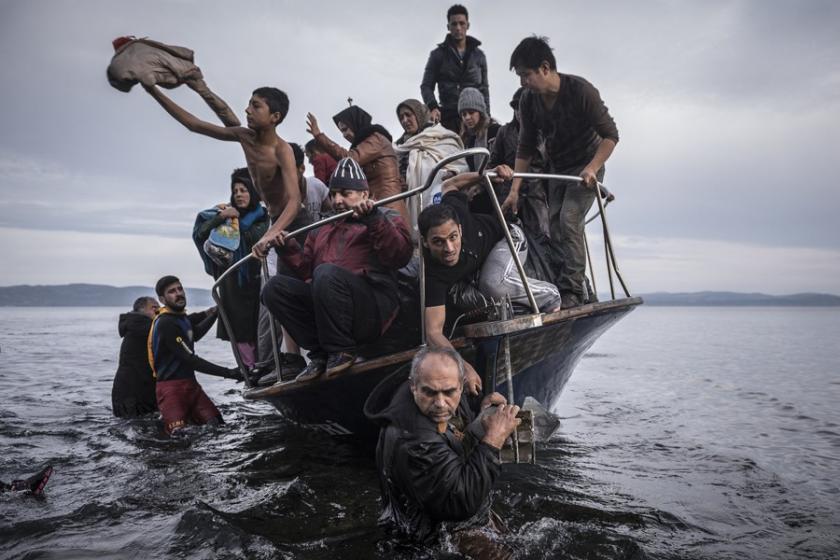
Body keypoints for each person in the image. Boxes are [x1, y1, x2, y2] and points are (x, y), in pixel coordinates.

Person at [261, 158, 413, 382]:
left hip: (370, 308)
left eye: (345, 193)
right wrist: (287, 248)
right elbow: (306, 271)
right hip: (329, 308)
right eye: (333, 194)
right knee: (273, 288)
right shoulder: (322, 228)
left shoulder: (386, 216)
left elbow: (399, 255)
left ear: (364, 194)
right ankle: (320, 355)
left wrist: (373, 219)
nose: (337, 200)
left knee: (326, 273)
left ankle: (341, 351)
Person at [418, 167, 562, 393]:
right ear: (425, 242)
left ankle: (549, 294)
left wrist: (487, 172)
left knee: (492, 284)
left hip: (507, 238)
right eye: (438, 242)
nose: (449, 248)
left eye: (453, 237)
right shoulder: (433, 272)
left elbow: (449, 185)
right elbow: (433, 332)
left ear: (460, 229)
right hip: (477, 267)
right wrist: (462, 367)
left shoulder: (455, 211)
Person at [365, 347, 518, 555]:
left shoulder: (432, 402)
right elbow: (460, 502)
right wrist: (493, 439)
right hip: (434, 535)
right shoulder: (415, 440)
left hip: (450, 515)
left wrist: (481, 421)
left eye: (449, 392)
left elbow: (451, 447)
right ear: (413, 386)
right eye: (430, 392)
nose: (440, 403)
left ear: (460, 385)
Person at [502, 36, 619, 308]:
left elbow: (610, 136)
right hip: (559, 169)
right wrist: (514, 190)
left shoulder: (581, 91)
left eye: (525, 75)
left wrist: (592, 168)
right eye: (519, 76)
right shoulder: (529, 102)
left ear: (545, 67)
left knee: (569, 220)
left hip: (587, 168)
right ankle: (562, 285)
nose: (523, 83)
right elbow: (525, 148)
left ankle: (573, 291)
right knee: (554, 226)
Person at [142, 84, 301, 260]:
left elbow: (294, 201)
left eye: (256, 106)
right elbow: (194, 125)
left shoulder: (282, 150)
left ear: (275, 117)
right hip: (273, 219)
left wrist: (270, 234)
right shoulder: (245, 137)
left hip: (292, 221)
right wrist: (153, 91)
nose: (247, 110)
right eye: (249, 104)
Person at [192, 168, 268, 370]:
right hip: (232, 282)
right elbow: (200, 234)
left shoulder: (262, 217)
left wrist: (235, 222)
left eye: (243, 190)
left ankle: (265, 365)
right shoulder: (223, 215)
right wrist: (221, 217)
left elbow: (253, 236)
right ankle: (250, 370)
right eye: (235, 191)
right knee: (239, 329)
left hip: (256, 279)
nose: (239, 194)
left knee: (260, 326)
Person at [148, 276, 242, 434]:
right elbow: (190, 359)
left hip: (191, 386)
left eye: (180, 289)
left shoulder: (180, 318)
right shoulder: (166, 323)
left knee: (217, 426)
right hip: (171, 390)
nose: (178, 293)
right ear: (162, 299)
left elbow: (195, 334)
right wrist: (230, 373)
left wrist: (216, 313)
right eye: (172, 291)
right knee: (179, 437)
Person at [306, 105, 409, 226]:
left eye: (345, 129)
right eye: (341, 132)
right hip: (377, 205)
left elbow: (349, 158)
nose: (344, 135)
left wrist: (319, 136)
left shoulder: (375, 139)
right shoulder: (368, 142)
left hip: (388, 206)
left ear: (355, 123)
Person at [490, 87, 549, 239]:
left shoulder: (546, 133)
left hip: (536, 194)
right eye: (517, 108)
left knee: (542, 237)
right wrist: (499, 169)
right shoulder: (504, 132)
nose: (520, 112)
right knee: (505, 237)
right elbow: (492, 163)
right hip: (507, 195)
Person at [421, 4, 490, 133]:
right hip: (448, 117)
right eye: (454, 24)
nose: (458, 28)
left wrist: (487, 115)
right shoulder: (437, 55)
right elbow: (426, 86)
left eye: (462, 23)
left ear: (467, 25)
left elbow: (484, 89)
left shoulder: (479, 56)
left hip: (474, 118)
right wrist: (433, 107)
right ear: (448, 27)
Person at [393, 98, 468, 210]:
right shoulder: (400, 147)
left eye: (408, 115)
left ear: (418, 114)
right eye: (401, 118)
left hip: (441, 202)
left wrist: (453, 172)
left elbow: (459, 165)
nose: (404, 120)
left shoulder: (441, 136)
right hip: (407, 203)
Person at [111, 296, 160, 418]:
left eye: (159, 307)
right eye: (154, 307)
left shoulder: (140, 325)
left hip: (132, 392)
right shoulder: (144, 326)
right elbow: (182, 330)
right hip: (131, 395)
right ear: (141, 310)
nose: (159, 311)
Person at [457, 87, 501, 214]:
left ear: (480, 112)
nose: (467, 117)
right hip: (477, 197)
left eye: (471, 112)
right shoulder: (467, 140)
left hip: (495, 192)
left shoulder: (495, 131)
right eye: (464, 114)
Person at [291, 142, 331, 221]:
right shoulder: (279, 196)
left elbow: (331, 214)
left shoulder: (317, 185)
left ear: (301, 168)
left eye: (288, 170)